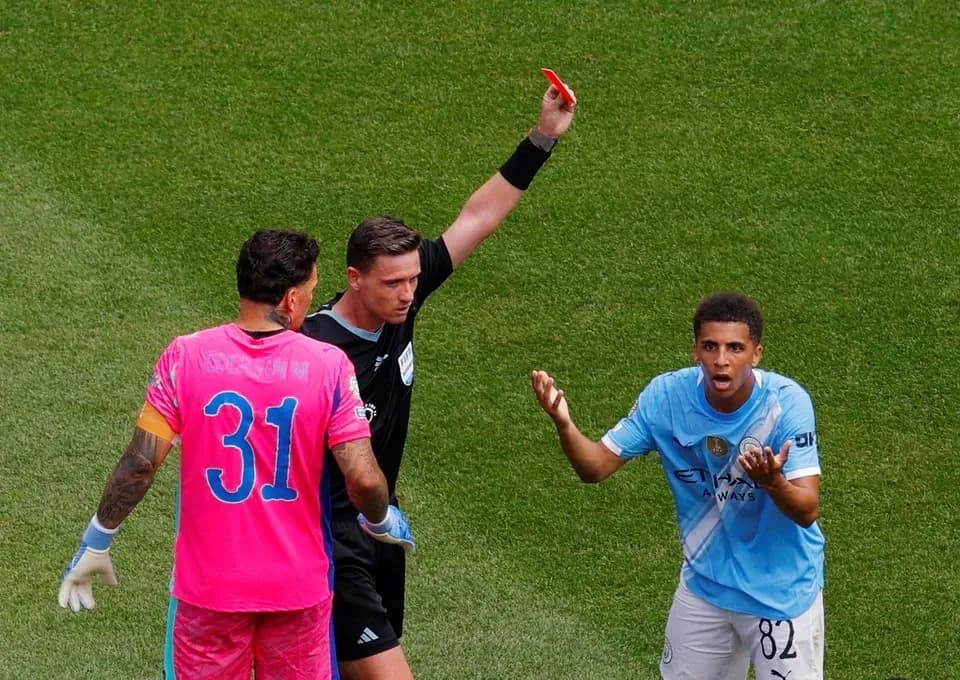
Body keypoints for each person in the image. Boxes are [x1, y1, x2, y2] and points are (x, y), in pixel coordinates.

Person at [300, 80, 577, 679]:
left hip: (381, 528)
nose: (408, 293)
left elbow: (479, 216)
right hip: (330, 539)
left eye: (412, 280)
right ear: (354, 279)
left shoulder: (404, 301)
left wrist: (543, 137)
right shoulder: (315, 350)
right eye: (392, 284)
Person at [59, 229, 414, 680]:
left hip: (209, 591)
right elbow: (362, 477)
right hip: (298, 590)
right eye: (310, 290)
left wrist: (98, 539)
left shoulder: (185, 357)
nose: (311, 300)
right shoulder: (328, 366)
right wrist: (381, 520)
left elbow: (141, 463)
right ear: (290, 298)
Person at [530, 292, 825, 680]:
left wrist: (773, 482)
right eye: (710, 346)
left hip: (780, 595)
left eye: (735, 348)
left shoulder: (785, 406)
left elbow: (807, 509)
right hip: (706, 588)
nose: (721, 360)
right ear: (695, 351)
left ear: (756, 354)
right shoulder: (667, 398)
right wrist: (565, 424)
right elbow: (595, 467)